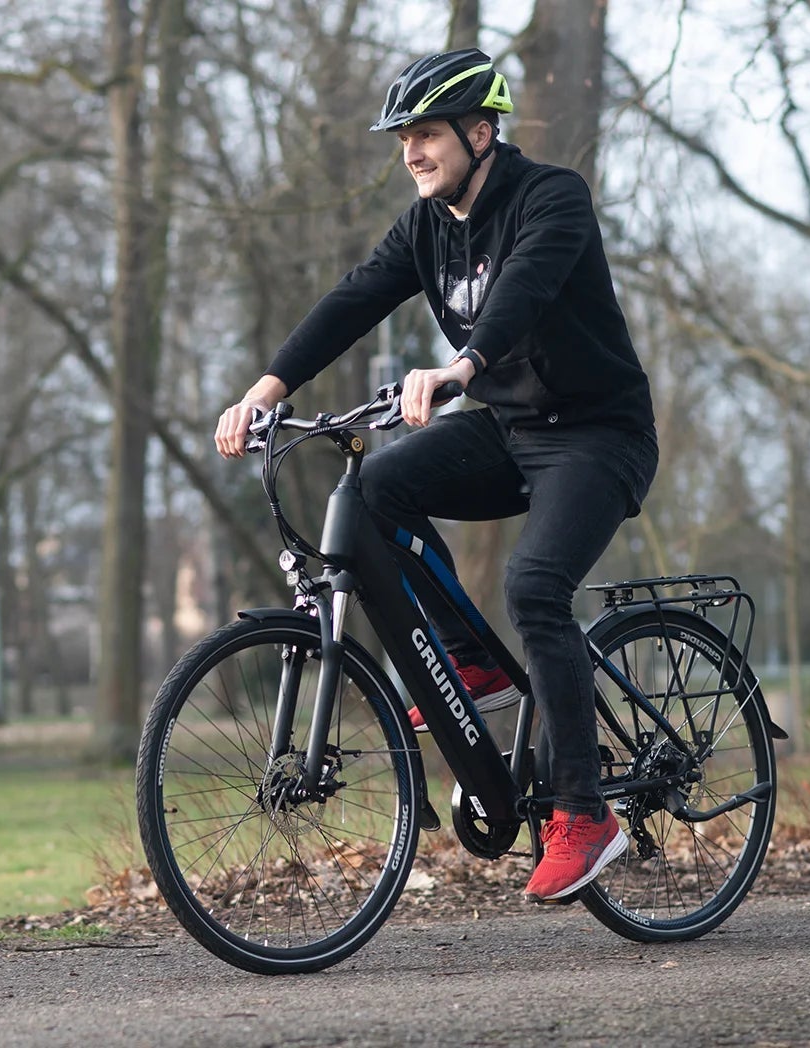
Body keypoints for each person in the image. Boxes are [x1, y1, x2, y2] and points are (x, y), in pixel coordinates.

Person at [212, 47, 659, 904]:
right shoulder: (425, 227)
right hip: (508, 429)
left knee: (534, 587)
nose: (410, 153)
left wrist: (463, 365)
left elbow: (523, 290)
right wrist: (266, 390)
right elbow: (353, 298)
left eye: (425, 135)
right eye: (403, 138)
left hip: (597, 436)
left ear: (480, 131)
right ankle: (472, 666)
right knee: (376, 490)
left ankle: (584, 813)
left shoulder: (551, 196)